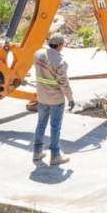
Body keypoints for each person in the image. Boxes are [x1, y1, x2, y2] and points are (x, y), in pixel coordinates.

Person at [32, 33, 75, 165]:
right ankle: (55, 156)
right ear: (60, 45)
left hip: (41, 97)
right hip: (55, 99)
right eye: (63, 44)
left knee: (40, 124)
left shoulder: (37, 54)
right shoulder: (60, 62)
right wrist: (70, 98)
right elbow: (64, 83)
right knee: (55, 127)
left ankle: (37, 152)